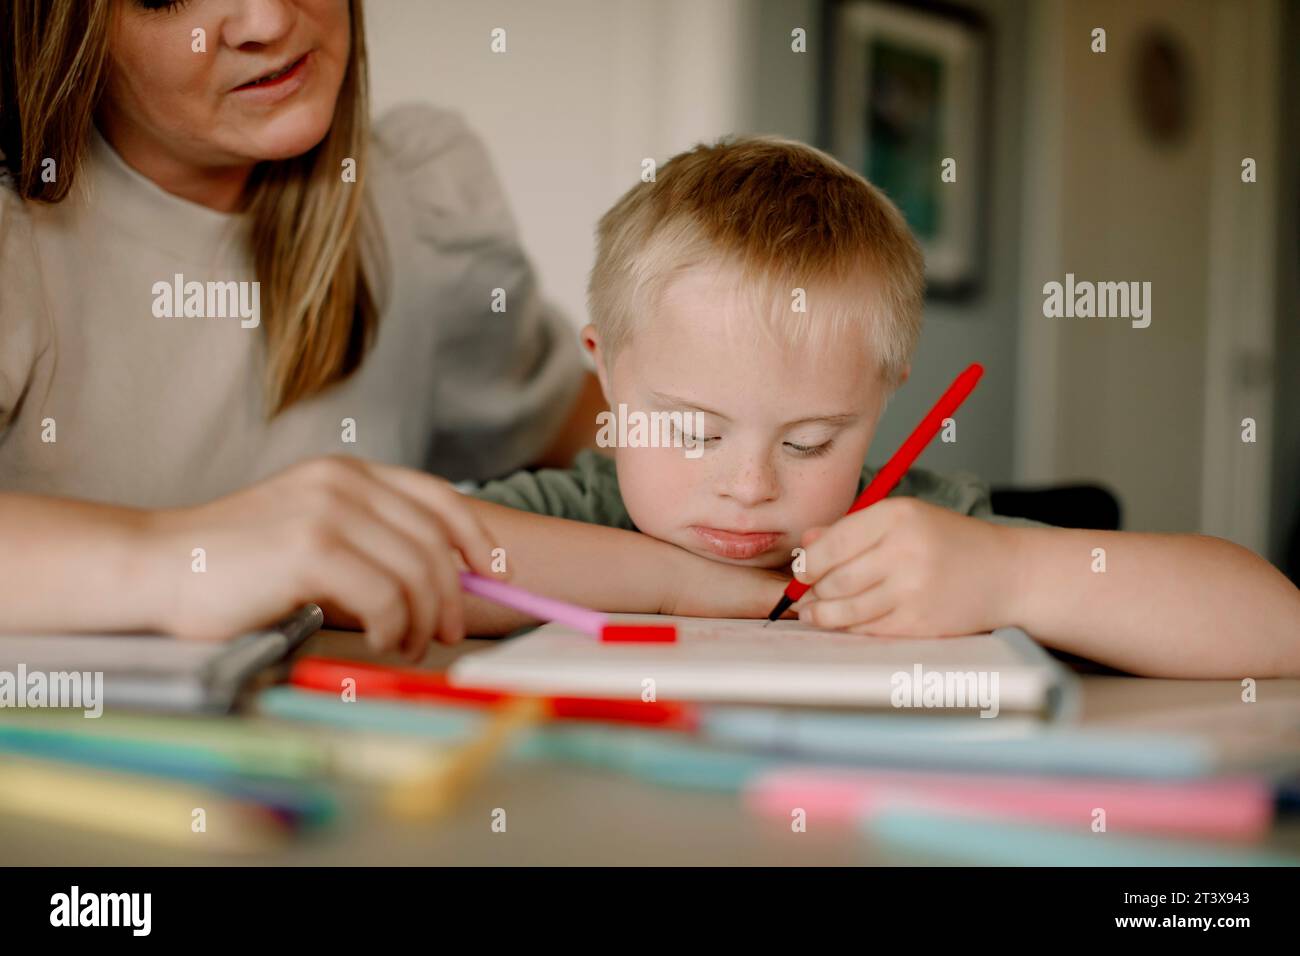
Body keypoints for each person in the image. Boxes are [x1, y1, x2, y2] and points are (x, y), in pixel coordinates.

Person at [463, 134, 1300, 678]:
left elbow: (1277, 626)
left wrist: (1007, 574)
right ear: (604, 374)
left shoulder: (918, 529)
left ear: (881, 398)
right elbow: (416, 563)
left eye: (812, 442)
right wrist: (681, 587)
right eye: (691, 429)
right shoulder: (583, 511)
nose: (748, 486)